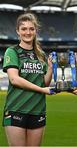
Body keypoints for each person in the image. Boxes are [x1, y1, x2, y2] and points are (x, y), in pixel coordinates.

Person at [2, 13, 55, 146]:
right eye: (24, 29)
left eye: (31, 29)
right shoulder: (12, 51)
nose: (28, 32)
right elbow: (14, 79)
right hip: (16, 110)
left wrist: (50, 69)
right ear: (17, 31)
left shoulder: (40, 54)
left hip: (38, 110)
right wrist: (41, 89)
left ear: (36, 31)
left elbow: (45, 82)